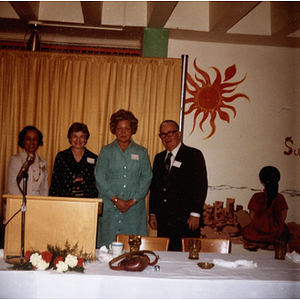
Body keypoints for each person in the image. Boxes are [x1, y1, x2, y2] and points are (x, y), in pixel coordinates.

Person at [95, 109, 152, 248]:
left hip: (134, 209)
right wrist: (115, 199)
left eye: (127, 128)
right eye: (119, 128)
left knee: (132, 249)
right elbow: (99, 177)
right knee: (106, 248)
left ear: (133, 130)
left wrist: (132, 201)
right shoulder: (106, 151)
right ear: (114, 130)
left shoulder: (141, 152)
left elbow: (147, 178)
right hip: (110, 206)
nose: (123, 132)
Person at [149, 120, 208, 251]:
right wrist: (152, 213)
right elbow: (154, 188)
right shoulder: (159, 158)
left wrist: (195, 214)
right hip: (163, 220)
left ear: (179, 134)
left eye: (170, 133)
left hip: (186, 220)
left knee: (186, 258)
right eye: (163, 135)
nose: (166, 138)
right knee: (165, 256)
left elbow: (201, 186)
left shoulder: (193, 155)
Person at [241, 166, 289, 248]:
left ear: (261, 181)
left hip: (257, 232)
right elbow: (284, 216)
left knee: (243, 221)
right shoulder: (280, 197)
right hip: (277, 232)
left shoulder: (256, 196)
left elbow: (252, 216)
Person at [49, 122, 98, 198]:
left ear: (86, 139)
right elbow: (55, 184)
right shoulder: (61, 157)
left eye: (82, 137)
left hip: (87, 204)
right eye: (75, 136)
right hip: (65, 202)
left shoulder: (94, 158)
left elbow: (96, 185)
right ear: (70, 138)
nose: (78, 140)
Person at [7, 126, 49, 196]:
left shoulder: (43, 162)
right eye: (28, 138)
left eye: (35, 139)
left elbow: (45, 187)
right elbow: (13, 187)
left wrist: (43, 204)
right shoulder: (15, 160)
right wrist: (25, 203)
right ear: (23, 141)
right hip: (20, 203)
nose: (32, 142)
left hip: (38, 203)